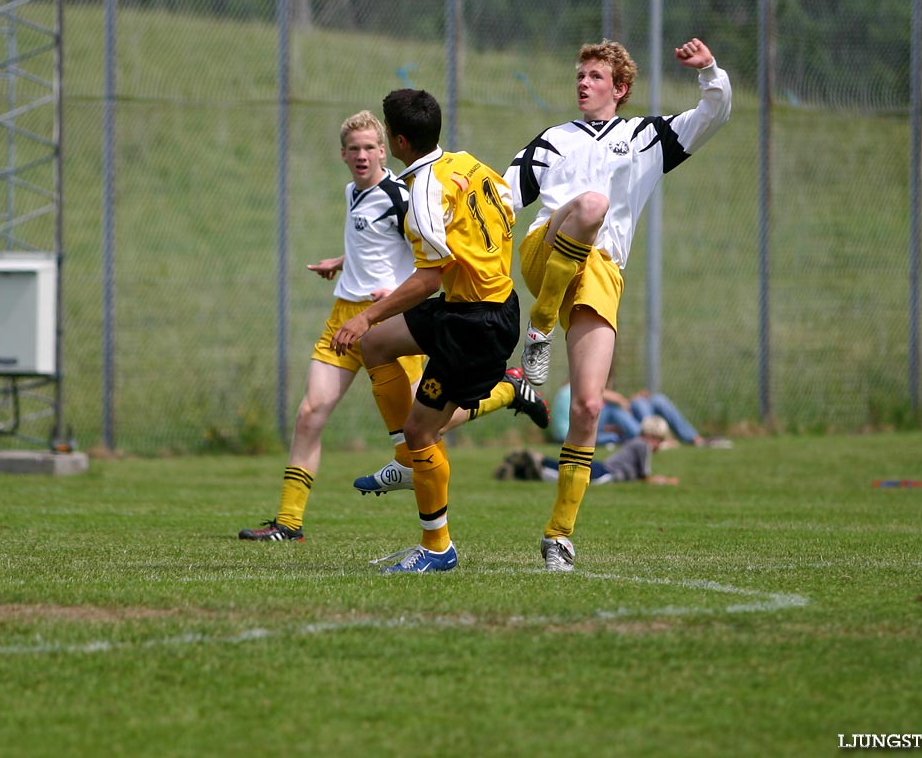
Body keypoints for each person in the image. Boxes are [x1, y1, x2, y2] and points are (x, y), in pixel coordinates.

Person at [239, 112, 547, 542]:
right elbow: (377, 244)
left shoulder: (405, 193)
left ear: (386, 150)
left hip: (389, 319)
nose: (362, 155)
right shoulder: (353, 192)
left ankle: (503, 392)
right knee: (311, 413)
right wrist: (343, 262)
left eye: (370, 147)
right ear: (343, 154)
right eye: (354, 149)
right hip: (343, 317)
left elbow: (432, 253)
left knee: (428, 424)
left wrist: (388, 299)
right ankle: (289, 522)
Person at [505, 37, 731, 571]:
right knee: (590, 204)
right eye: (580, 74)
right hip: (545, 252)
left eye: (596, 76)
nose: (583, 83)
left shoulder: (646, 136)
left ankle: (559, 535)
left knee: (588, 407)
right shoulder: (553, 140)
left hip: (601, 272)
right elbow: (503, 195)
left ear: (621, 88)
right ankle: (539, 327)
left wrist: (710, 72)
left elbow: (713, 114)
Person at [330, 88, 520, 574]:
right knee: (375, 346)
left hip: (476, 322)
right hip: (466, 306)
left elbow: (430, 276)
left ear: (396, 141)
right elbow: (506, 203)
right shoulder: (464, 163)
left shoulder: (422, 194)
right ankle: (405, 458)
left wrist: (366, 312)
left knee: (423, 430)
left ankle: (438, 548)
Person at [497, 414, 680, 486]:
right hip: (606, 473)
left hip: (603, 467)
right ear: (654, 437)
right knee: (572, 477)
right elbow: (645, 477)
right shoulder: (643, 445)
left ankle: (531, 464)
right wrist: (666, 480)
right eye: (660, 441)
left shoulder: (636, 441)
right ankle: (540, 464)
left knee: (571, 469)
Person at [546, 382, 729, 448]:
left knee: (655, 401)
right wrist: (627, 403)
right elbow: (615, 400)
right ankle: (654, 438)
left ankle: (694, 439)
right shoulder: (579, 387)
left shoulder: (576, 389)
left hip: (594, 424)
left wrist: (632, 401)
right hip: (572, 433)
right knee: (617, 410)